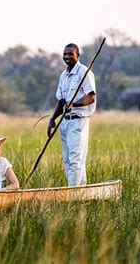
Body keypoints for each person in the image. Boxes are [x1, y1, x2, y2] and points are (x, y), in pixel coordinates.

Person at [47, 43, 96, 186]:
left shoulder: (84, 72)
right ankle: (79, 193)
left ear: (77, 55)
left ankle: (72, 194)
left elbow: (91, 97)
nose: (67, 57)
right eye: (65, 54)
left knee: (76, 159)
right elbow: (61, 101)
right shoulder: (63, 75)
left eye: (70, 54)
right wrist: (52, 119)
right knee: (68, 160)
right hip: (64, 121)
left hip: (78, 121)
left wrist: (74, 104)